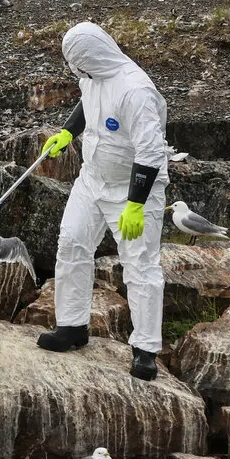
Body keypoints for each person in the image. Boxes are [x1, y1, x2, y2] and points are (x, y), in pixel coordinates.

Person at [35, 22, 168, 381]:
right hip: (92, 178)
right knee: (72, 243)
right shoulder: (92, 75)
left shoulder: (135, 91)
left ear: (92, 55)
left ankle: (145, 349)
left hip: (133, 187)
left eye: (78, 63)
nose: (75, 70)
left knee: (140, 264)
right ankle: (73, 327)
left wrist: (137, 203)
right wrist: (67, 132)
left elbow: (151, 151)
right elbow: (86, 103)